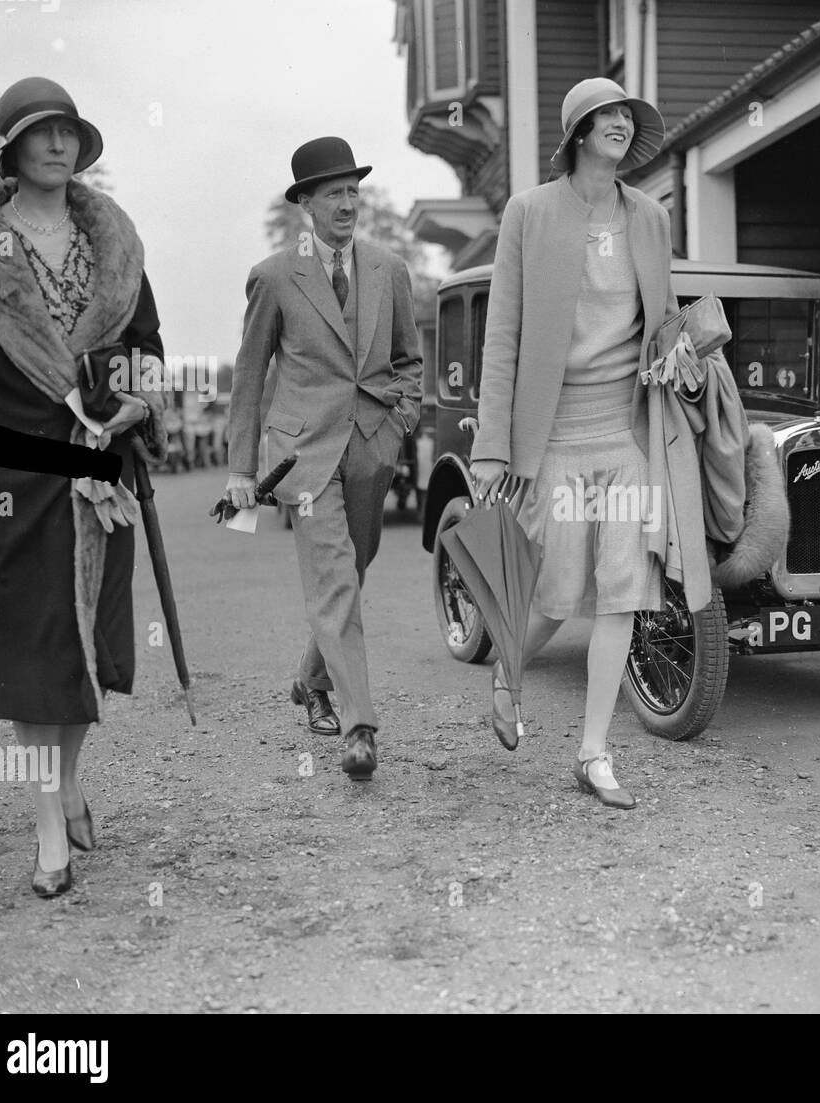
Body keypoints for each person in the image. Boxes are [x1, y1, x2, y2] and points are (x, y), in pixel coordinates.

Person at [0, 77, 168, 897]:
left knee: (87, 648)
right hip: (8, 470)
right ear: (11, 148)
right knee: (29, 649)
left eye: (69, 131)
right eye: (40, 132)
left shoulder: (114, 242)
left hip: (96, 473)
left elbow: (148, 341)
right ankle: (49, 831)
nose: (57, 144)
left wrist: (138, 404)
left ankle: (69, 779)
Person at [470, 78, 677, 810]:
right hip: (552, 435)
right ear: (579, 133)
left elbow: (664, 321)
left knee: (622, 591)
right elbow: (502, 338)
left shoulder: (650, 218)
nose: (621, 123)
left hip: (626, 433)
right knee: (556, 591)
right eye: (608, 115)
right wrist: (492, 447)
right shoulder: (529, 212)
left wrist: (683, 350)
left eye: (628, 115)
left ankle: (594, 753)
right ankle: (507, 671)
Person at [225, 137, 423, 779]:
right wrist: (241, 471)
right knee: (336, 577)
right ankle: (360, 727)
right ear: (305, 202)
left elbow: (409, 363)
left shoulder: (390, 269)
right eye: (333, 192)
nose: (347, 202)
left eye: (353, 189)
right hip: (302, 458)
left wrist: (398, 423)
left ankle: (310, 678)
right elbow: (250, 378)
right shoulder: (275, 276)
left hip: (370, 448)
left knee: (355, 566)